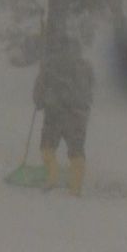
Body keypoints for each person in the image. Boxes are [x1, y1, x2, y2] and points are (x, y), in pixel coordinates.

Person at [32, 38, 95, 196]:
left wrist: (39, 101)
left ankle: (52, 177)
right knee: (77, 151)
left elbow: (40, 89)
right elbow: (91, 88)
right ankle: (75, 187)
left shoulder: (50, 66)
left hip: (55, 113)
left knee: (47, 147)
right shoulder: (86, 67)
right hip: (79, 116)